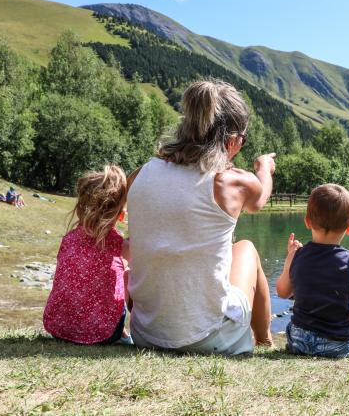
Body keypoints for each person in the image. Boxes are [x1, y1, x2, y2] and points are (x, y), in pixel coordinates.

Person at [126, 80, 275, 355]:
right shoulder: (229, 182)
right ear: (232, 141)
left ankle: (261, 338)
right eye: (242, 139)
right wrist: (264, 167)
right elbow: (259, 201)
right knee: (247, 250)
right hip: (207, 338)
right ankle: (265, 339)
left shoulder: (140, 174)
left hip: (146, 335)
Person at [276, 183, 349, 358]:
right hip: (335, 346)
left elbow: (283, 292)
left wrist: (289, 259)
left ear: (307, 221)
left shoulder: (297, 255)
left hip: (298, 341)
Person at [43, 165, 130, 345]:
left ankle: (117, 329)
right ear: (120, 215)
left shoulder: (69, 238)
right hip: (103, 333)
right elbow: (143, 260)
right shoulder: (116, 242)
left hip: (59, 328)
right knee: (127, 272)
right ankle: (122, 332)